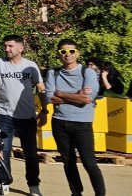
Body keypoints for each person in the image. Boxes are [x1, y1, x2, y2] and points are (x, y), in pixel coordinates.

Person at [0, 34, 44, 196]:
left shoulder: (31, 66)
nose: (7, 49)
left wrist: (45, 110)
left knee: (31, 153)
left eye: (10, 46)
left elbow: (41, 87)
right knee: (3, 151)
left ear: (21, 48)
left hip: (27, 117)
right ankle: (4, 181)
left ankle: (34, 185)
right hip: (5, 116)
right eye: (5, 46)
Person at [46, 38, 105, 196]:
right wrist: (75, 96)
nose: (67, 54)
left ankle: (100, 194)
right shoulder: (53, 73)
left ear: (77, 53)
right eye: (63, 51)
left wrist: (61, 93)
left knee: (89, 162)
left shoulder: (88, 72)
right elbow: (49, 98)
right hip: (59, 123)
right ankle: (76, 193)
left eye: (71, 51)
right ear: (59, 54)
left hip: (82, 124)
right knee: (68, 161)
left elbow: (87, 99)